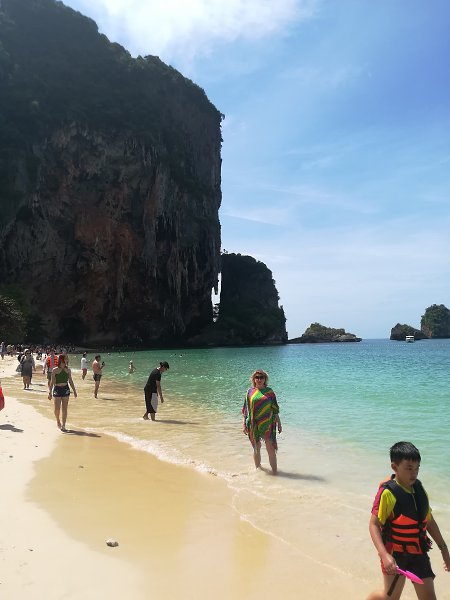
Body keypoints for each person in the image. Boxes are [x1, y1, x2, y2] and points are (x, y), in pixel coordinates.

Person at [367, 441, 449, 600]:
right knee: (390, 598)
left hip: (418, 552)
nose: (414, 473)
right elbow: (374, 525)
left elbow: (429, 520)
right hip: (395, 554)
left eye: (417, 468)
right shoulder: (388, 493)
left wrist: (443, 549)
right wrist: (384, 555)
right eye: (409, 468)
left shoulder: (419, 489)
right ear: (394, 467)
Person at [242, 369, 282, 475]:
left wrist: (279, 423)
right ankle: (258, 471)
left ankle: (275, 473)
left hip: (267, 423)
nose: (259, 379)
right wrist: (244, 424)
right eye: (257, 377)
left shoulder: (269, 392)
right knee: (256, 447)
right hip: (253, 424)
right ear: (254, 379)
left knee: (270, 448)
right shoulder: (250, 392)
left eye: (261, 377)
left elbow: (275, 409)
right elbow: (246, 410)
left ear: (265, 379)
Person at [48, 353, 77, 432]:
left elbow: (70, 381)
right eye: (66, 359)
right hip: (57, 389)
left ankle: (63, 425)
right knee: (57, 409)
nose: (67, 360)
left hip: (65, 389)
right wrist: (50, 392)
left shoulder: (68, 370)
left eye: (67, 359)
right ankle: (58, 420)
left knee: (65, 408)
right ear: (61, 360)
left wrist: (74, 390)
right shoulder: (55, 370)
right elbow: (52, 381)